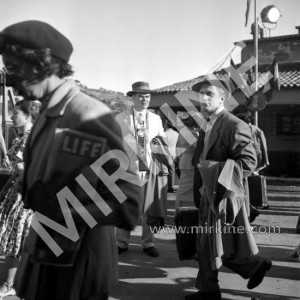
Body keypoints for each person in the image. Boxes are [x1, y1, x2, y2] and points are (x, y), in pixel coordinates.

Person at [0, 20, 141, 300]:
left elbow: (127, 198)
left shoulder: (86, 115)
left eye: (14, 68)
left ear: (43, 64)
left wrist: (62, 210)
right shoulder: (46, 115)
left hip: (77, 267)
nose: (10, 79)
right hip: (46, 259)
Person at [188, 78, 272, 300]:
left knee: (219, 245)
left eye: (209, 94)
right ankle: (210, 289)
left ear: (222, 98)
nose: (203, 98)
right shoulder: (210, 123)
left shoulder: (234, 124)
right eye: (201, 94)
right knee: (208, 245)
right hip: (209, 194)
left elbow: (248, 163)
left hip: (223, 195)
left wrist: (211, 172)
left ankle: (250, 268)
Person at [115, 81, 167, 257]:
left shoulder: (156, 119)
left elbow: (163, 142)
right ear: (133, 98)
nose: (145, 99)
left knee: (149, 207)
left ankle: (148, 242)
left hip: (150, 170)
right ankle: (121, 242)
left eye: (147, 96)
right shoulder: (120, 118)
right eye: (140, 96)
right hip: (127, 170)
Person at [0, 100, 34, 297]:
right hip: (14, 193)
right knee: (13, 238)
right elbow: (16, 172)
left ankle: (11, 283)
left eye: (16, 113)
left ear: (28, 116)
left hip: (27, 196)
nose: (11, 116)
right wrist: (4, 190)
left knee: (18, 239)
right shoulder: (18, 139)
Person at [235, 111, 270, 222]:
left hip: (252, 160)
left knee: (246, 186)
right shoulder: (241, 129)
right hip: (247, 161)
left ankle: (250, 207)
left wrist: (265, 160)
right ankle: (250, 208)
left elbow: (263, 146)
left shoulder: (255, 130)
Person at [175, 114, 198, 208]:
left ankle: (178, 210)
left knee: (182, 187)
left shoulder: (182, 131)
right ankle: (186, 211)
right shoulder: (192, 132)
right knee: (188, 189)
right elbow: (198, 147)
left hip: (183, 160)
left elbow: (177, 148)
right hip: (190, 162)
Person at [164, 119, 179, 192]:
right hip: (174, 154)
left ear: (166, 124)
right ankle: (171, 186)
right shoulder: (176, 134)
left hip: (165, 154)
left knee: (163, 171)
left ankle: (165, 186)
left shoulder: (164, 134)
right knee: (171, 171)